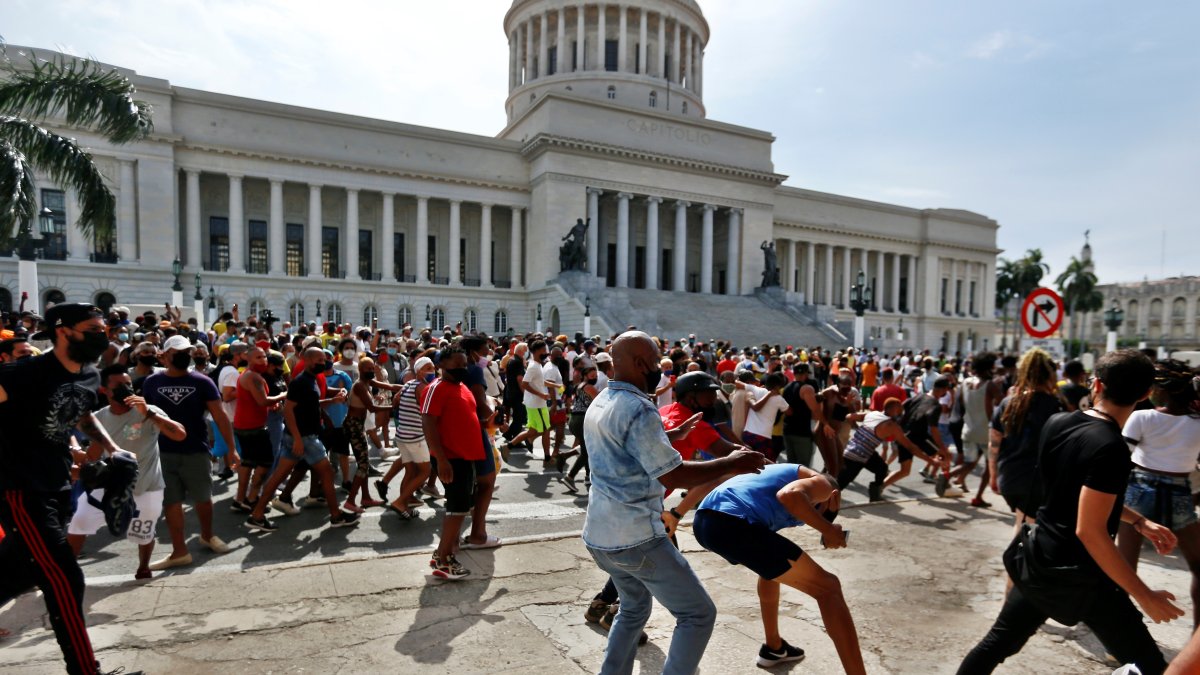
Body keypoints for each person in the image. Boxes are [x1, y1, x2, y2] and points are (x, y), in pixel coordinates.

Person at [959, 349, 1184, 674]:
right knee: (1151, 666)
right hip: (1083, 577)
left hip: (1041, 559)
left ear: (1097, 384)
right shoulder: (1111, 448)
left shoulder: (1058, 423)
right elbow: (1089, 530)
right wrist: (1144, 594)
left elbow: (1074, 496)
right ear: (1145, 394)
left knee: (994, 645)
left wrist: (1137, 520)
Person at [582, 330, 767, 675]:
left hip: (599, 535)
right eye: (655, 362)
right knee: (698, 614)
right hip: (636, 537)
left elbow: (622, 443)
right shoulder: (639, 408)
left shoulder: (602, 400)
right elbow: (674, 476)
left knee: (633, 608)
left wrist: (671, 436)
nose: (660, 370)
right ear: (641, 364)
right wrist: (733, 463)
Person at [0, 303, 143, 675]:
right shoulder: (23, 373)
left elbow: (81, 412)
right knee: (63, 577)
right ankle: (84, 670)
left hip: (60, 485)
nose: (102, 336)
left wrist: (111, 449)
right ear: (62, 331)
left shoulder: (88, 374)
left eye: (103, 329)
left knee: (19, 572)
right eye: (93, 329)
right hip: (21, 491)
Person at [693, 463, 866, 673]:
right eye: (818, 508)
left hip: (705, 523)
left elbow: (772, 563)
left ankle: (773, 647)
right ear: (834, 497)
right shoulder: (823, 484)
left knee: (772, 572)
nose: (810, 515)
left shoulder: (774, 481)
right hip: (731, 522)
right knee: (829, 587)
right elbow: (790, 496)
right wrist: (828, 529)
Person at [68, 365, 186, 580]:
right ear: (104, 390)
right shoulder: (99, 418)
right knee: (80, 520)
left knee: (143, 532)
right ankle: (63, 570)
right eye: (119, 385)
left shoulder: (149, 411)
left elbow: (179, 435)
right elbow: (93, 455)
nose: (126, 389)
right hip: (110, 484)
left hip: (146, 485)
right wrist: (75, 454)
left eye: (128, 384)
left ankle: (143, 567)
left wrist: (148, 413)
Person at [1117, 359, 1200, 628]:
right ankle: (1197, 634)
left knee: (1125, 567)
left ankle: (1121, 631)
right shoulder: (1198, 423)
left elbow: (1120, 458)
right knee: (1198, 565)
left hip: (1138, 492)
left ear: (1159, 390)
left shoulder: (1141, 417)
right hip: (1179, 494)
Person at [142, 335, 233, 570]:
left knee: (203, 498)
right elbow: (143, 416)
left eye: (187, 352)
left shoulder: (203, 382)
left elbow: (220, 416)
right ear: (165, 355)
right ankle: (179, 551)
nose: (184, 356)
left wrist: (232, 450)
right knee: (171, 501)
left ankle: (207, 535)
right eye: (178, 352)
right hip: (163, 452)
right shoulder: (151, 382)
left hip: (196, 449)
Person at [243, 347, 359, 532]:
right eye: (319, 360)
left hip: (299, 437)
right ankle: (336, 515)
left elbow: (310, 404)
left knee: (278, 476)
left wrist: (333, 401)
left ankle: (256, 515)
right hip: (305, 438)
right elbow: (288, 410)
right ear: (308, 360)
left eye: (324, 360)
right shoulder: (301, 382)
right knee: (327, 473)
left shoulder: (311, 380)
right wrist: (297, 439)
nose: (323, 363)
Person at [421, 346, 487, 579]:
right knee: (456, 509)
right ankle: (445, 559)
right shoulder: (436, 388)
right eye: (457, 364)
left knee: (460, 508)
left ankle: (442, 553)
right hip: (451, 458)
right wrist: (441, 459)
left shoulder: (462, 387)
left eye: (464, 364)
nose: (462, 368)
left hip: (465, 457)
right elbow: (428, 422)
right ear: (441, 365)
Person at [837, 398, 947, 503]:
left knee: (882, 468)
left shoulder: (873, 414)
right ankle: (828, 504)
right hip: (857, 457)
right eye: (900, 411)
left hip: (852, 449)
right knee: (840, 484)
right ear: (895, 409)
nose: (901, 414)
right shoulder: (892, 426)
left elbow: (849, 416)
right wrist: (931, 461)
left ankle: (875, 495)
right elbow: (911, 448)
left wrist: (858, 429)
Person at [377, 356, 435, 518]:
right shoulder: (423, 388)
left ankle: (405, 505)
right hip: (415, 437)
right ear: (419, 371)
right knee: (425, 472)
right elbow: (428, 413)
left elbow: (395, 401)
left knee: (410, 472)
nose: (432, 371)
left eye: (433, 368)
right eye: (428, 368)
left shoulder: (409, 384)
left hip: (402, 435)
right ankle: (400, 501)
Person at [886, 376, 956, 495]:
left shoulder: (919, 396)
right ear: (944, 390)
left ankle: (879, 487)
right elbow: (934, 429)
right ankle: (945, 487)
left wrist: (897, 423)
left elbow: (901, 406)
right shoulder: (935, 405)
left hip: (903, 436)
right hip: (919, 437)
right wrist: (942, 448)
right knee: (945, 456)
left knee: (904, 471)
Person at [342, 357, 389, 512]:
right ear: (360, 370)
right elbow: (372, 408)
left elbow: (390, 386)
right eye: (368, 369)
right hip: (354, 426)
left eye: (372, 368)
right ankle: (350, 501)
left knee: (364, 464)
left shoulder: (368, 382)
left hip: (357, 425)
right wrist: (393, 406)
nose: (371, 371)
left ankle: (366, 497)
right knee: (363, 465)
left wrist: (406, 386)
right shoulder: (360, 386)